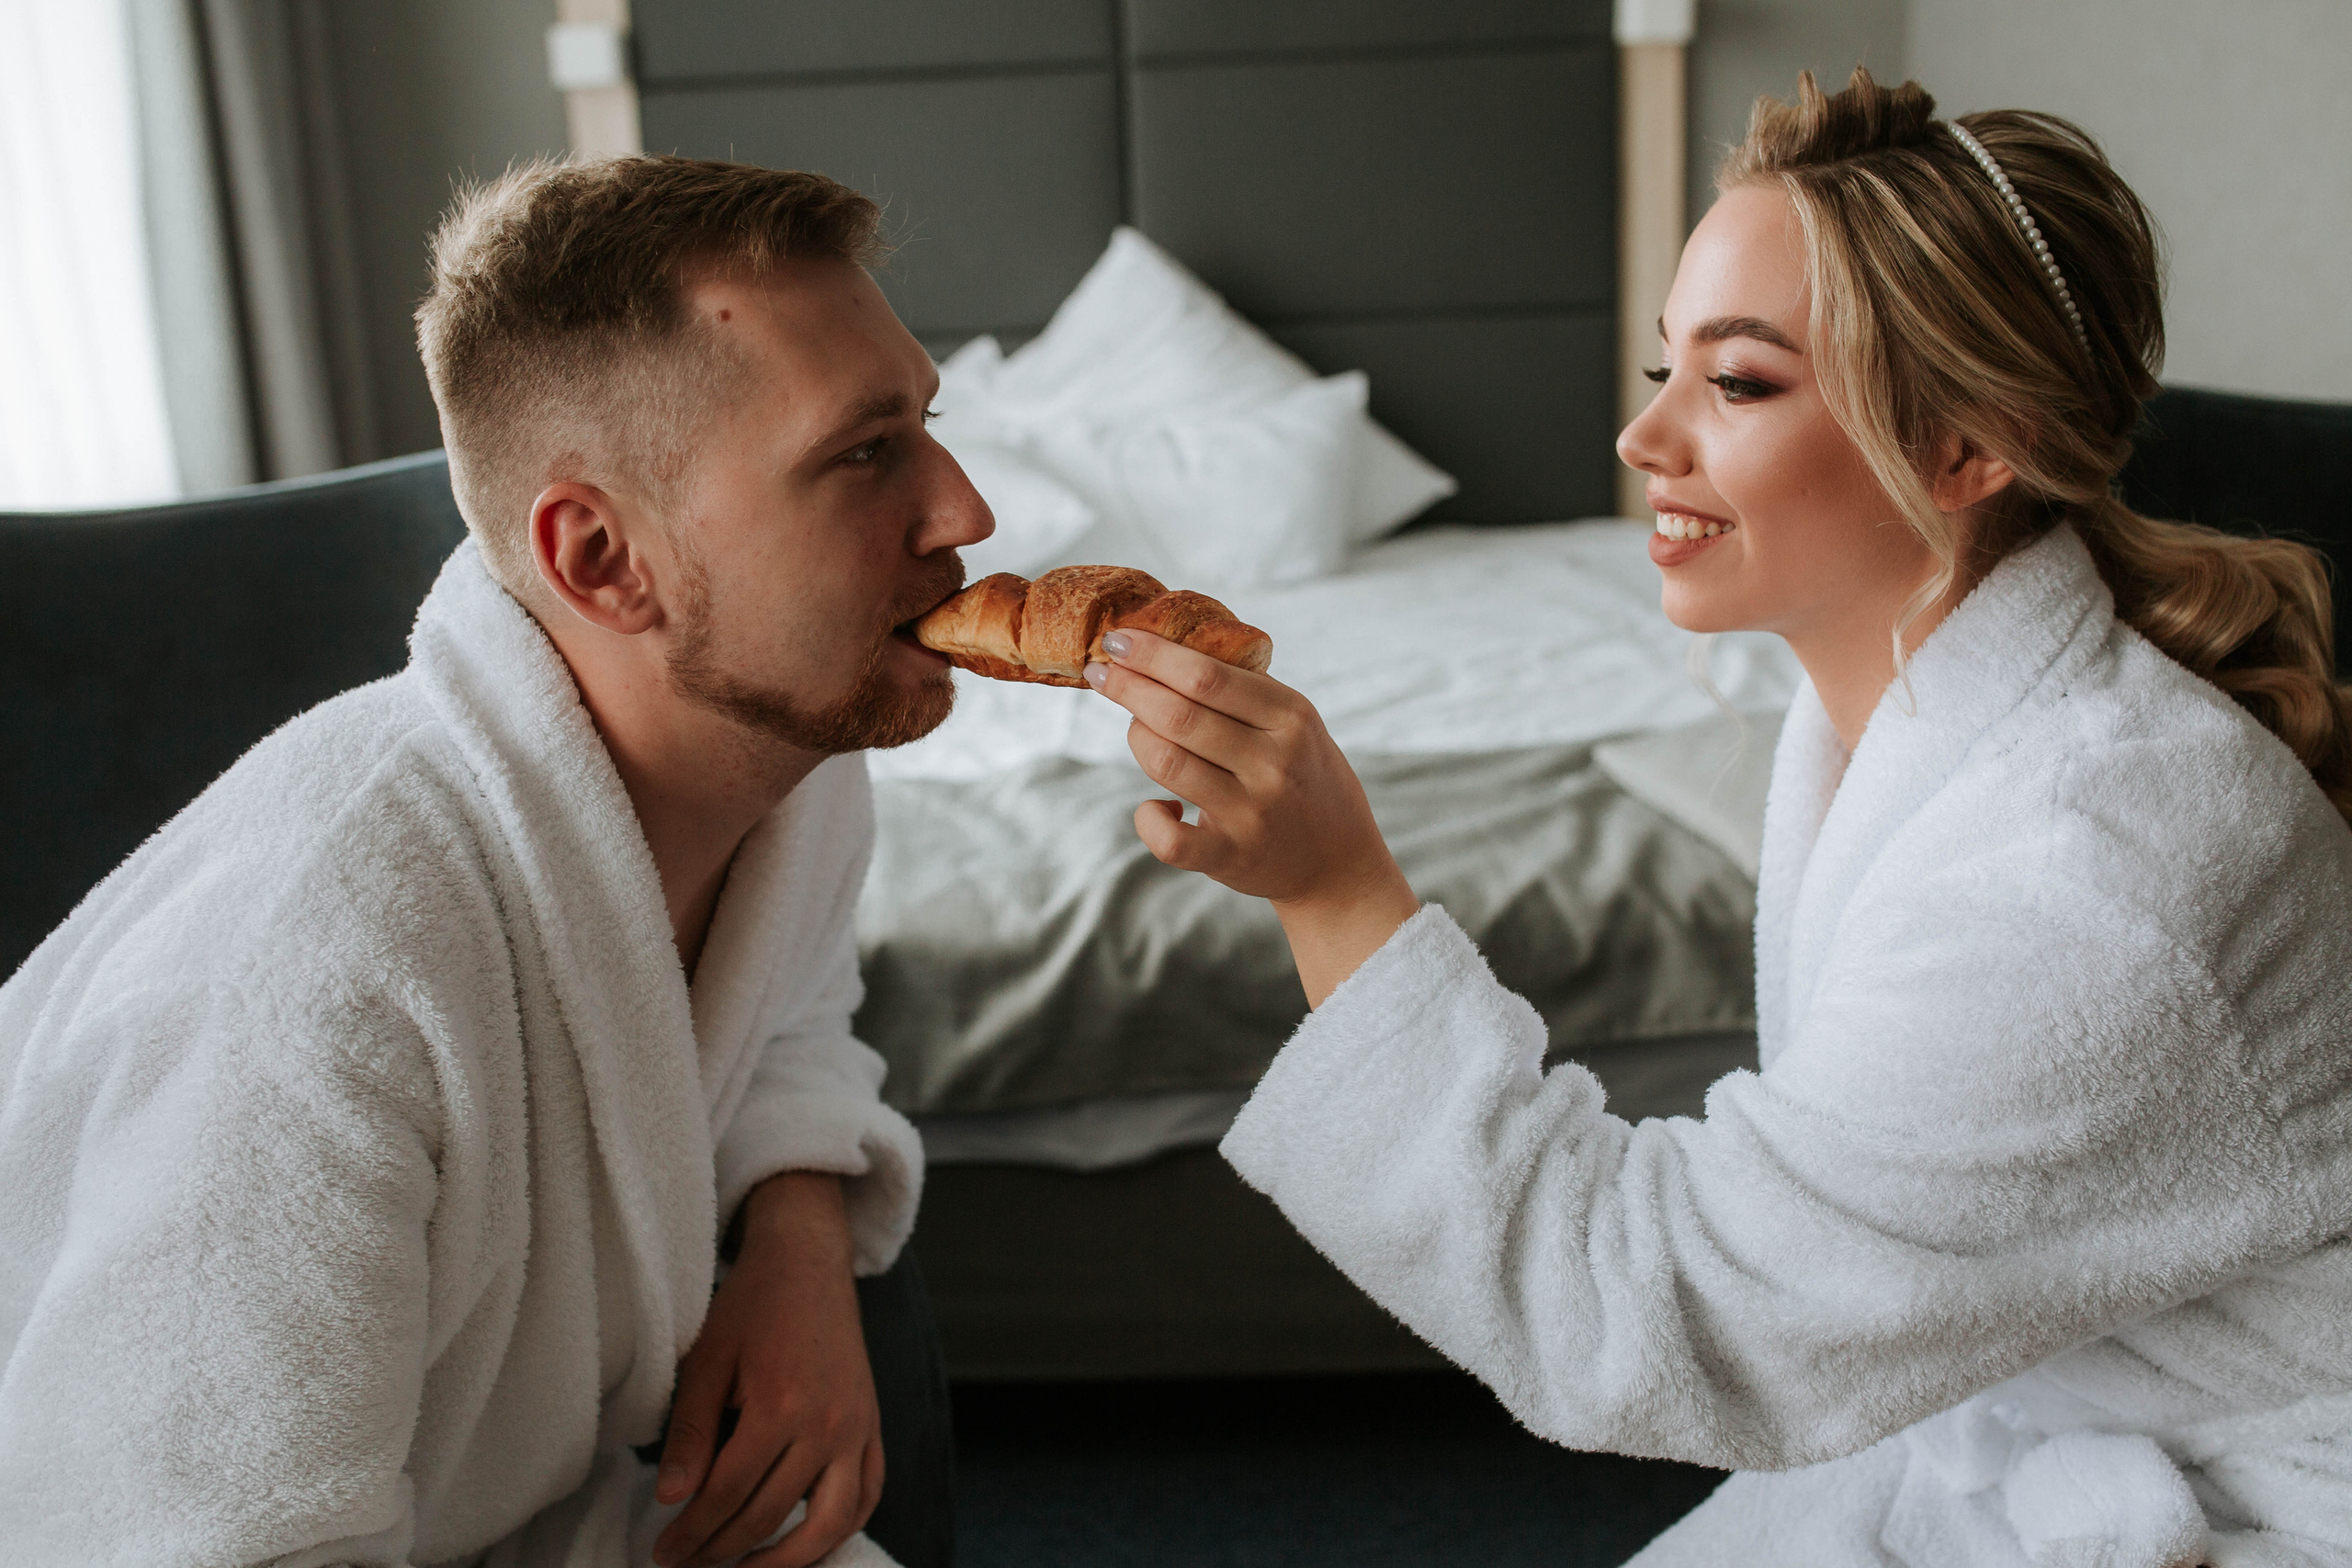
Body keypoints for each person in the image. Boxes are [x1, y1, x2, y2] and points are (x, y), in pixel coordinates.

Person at [1085, 68, 2352, 1565]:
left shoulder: (2098, 868)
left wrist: (1334, 888)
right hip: (2025, 1433)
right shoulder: (1897, 713)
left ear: (1969, 447)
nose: (1643, 440)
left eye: (1738, 383)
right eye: (1659, 369)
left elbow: (1645, 1308)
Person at [0, 157, 991, 1567]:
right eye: (863, 453)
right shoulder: (327, 965)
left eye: (929, 426)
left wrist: (797, 1245)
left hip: (495, 1505)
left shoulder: (790, 770)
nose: (965, 513)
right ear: (600, 559)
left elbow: (790, 1017)